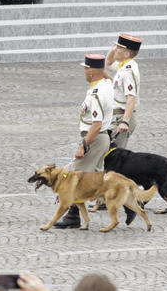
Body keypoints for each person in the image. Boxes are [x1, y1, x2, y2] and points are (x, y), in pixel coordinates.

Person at [53, 53, 114, 229]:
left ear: (91, 72)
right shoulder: (106, 84)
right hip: (102, 139)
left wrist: (83, 145)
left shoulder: (96, 94)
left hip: (95, 138)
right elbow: (110, 79)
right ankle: (125, 201)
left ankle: (72, 217)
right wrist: (103, 73)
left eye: (86, 69)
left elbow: (96, 125)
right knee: (96, 179)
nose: (85, 72)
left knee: (77, 179)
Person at [105, 34, 142, 150]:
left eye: (119, 48)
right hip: (116, 116)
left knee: (114, 156)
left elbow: (131, 98)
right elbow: (109, 64)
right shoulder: (123, 65)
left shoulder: (128, 71)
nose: (116, 49)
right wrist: (113, 49)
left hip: (122, 118)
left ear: (126, 53)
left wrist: (125, 122)